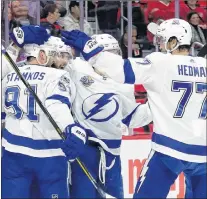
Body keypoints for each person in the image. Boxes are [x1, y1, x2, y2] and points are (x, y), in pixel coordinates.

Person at [60, 18, 207, 198]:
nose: (159, 45)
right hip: (203, 152)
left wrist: (91, 47)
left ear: (173, 41)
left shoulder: (161, 62)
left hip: (169, 150)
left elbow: (121, 70)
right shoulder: (204, 65)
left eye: (162, 40)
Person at [1, 28, 88, 198]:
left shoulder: (10, 74)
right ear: (42, 55)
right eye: (56, 54)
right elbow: (56, 104)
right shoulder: (57, 75)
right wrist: (70, 127)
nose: (61, 60)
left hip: (13, 153)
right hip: (49, 156)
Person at [66, 33, 152, 198]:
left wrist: (158, 106)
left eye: (114, 53)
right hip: (84, 146)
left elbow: (132, 117)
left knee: (114, 194)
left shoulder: (123, 83)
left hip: (112, 152)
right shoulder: (77, 68)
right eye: (107, 53)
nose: (111, 58)